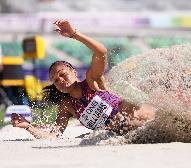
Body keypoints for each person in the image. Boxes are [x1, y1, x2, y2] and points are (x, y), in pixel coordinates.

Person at [11, 19, 155, 139]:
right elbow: (53, 136)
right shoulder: (67, 106)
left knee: (128, 97)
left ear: (74, 72)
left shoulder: (92, 81)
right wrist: (27, 126)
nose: (59, 80)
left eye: (62, 74)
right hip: (132, 136)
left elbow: (101, 52)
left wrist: (75, 34)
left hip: (150, 120)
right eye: (55, 80)